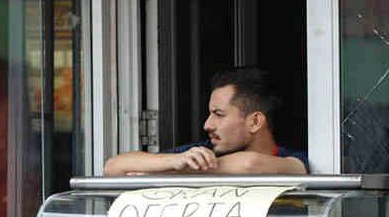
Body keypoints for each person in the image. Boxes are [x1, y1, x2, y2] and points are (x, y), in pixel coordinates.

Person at [104, 67, 308, 176]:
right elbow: (114, 167)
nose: (207, 125)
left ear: (255, 122)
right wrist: (174, 161)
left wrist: (168, 172)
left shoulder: (297, 159)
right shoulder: (201, 153)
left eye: (219, 114)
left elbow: (249, 165)